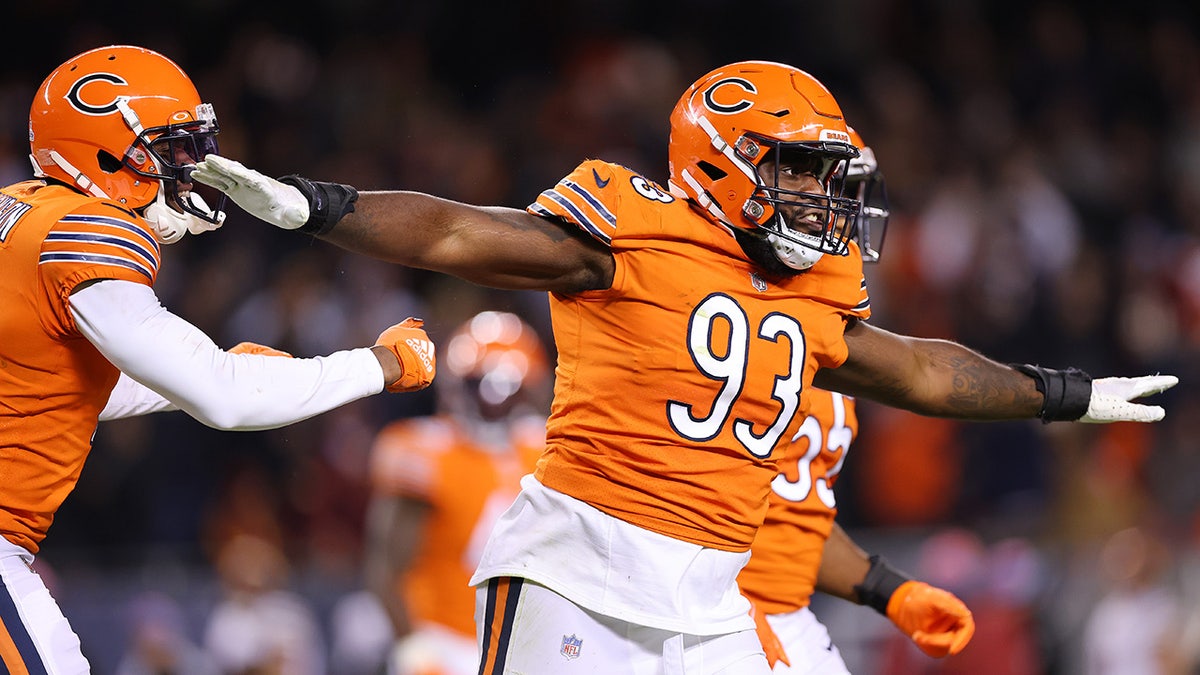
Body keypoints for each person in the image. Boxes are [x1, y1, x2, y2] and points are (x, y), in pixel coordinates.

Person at [192, 59, 1177, 672]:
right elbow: (455, 231)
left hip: (710, 607)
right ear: (720, 161)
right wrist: (317, 205)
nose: (825, 198)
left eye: (831, 176)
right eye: (799, 169)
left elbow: (917, 370)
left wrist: (1063, 392)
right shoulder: (632, 231)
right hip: (575, 577)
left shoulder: (817, 287)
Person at [0, 45, 437, 673]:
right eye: (172, 148)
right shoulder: (85, 232)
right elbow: (224, 399)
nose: (192, 167)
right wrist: (381, 364)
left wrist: (204, 370)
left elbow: (59, 388)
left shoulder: (24, 214)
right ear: (102, 149)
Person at [742, 128, 973, 674]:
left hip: (784, 613)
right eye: (804, 177)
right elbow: (666, 500)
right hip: (696, 615)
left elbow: (794, 519)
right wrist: (723, 624)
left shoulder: (827, 333)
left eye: (835, 187)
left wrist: (889, 591)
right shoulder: (724, 321)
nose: (826, 208)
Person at [365, 310, 551, 675]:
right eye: (480, 384)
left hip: (519, 640)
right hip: (441, 638)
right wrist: (411, 643)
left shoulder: (546, 449)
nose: (492, 400)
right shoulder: (424, 450)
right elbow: (386, 565)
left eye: (507, 387)